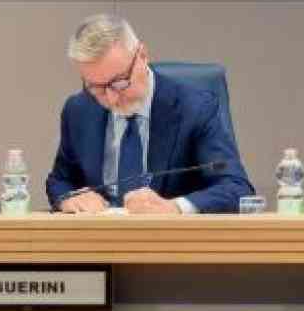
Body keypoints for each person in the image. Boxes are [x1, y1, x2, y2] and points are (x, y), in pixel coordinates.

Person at [46, 14, 252, 214]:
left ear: (142, 56)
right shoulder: (78, 110)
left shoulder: (195, 108)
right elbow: (60, 180)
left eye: (119, 82)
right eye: (96, 87)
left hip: (171, 235)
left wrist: (175, 207)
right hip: (100, 235)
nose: (111, 99)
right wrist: (69, 198)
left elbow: (235, 187)